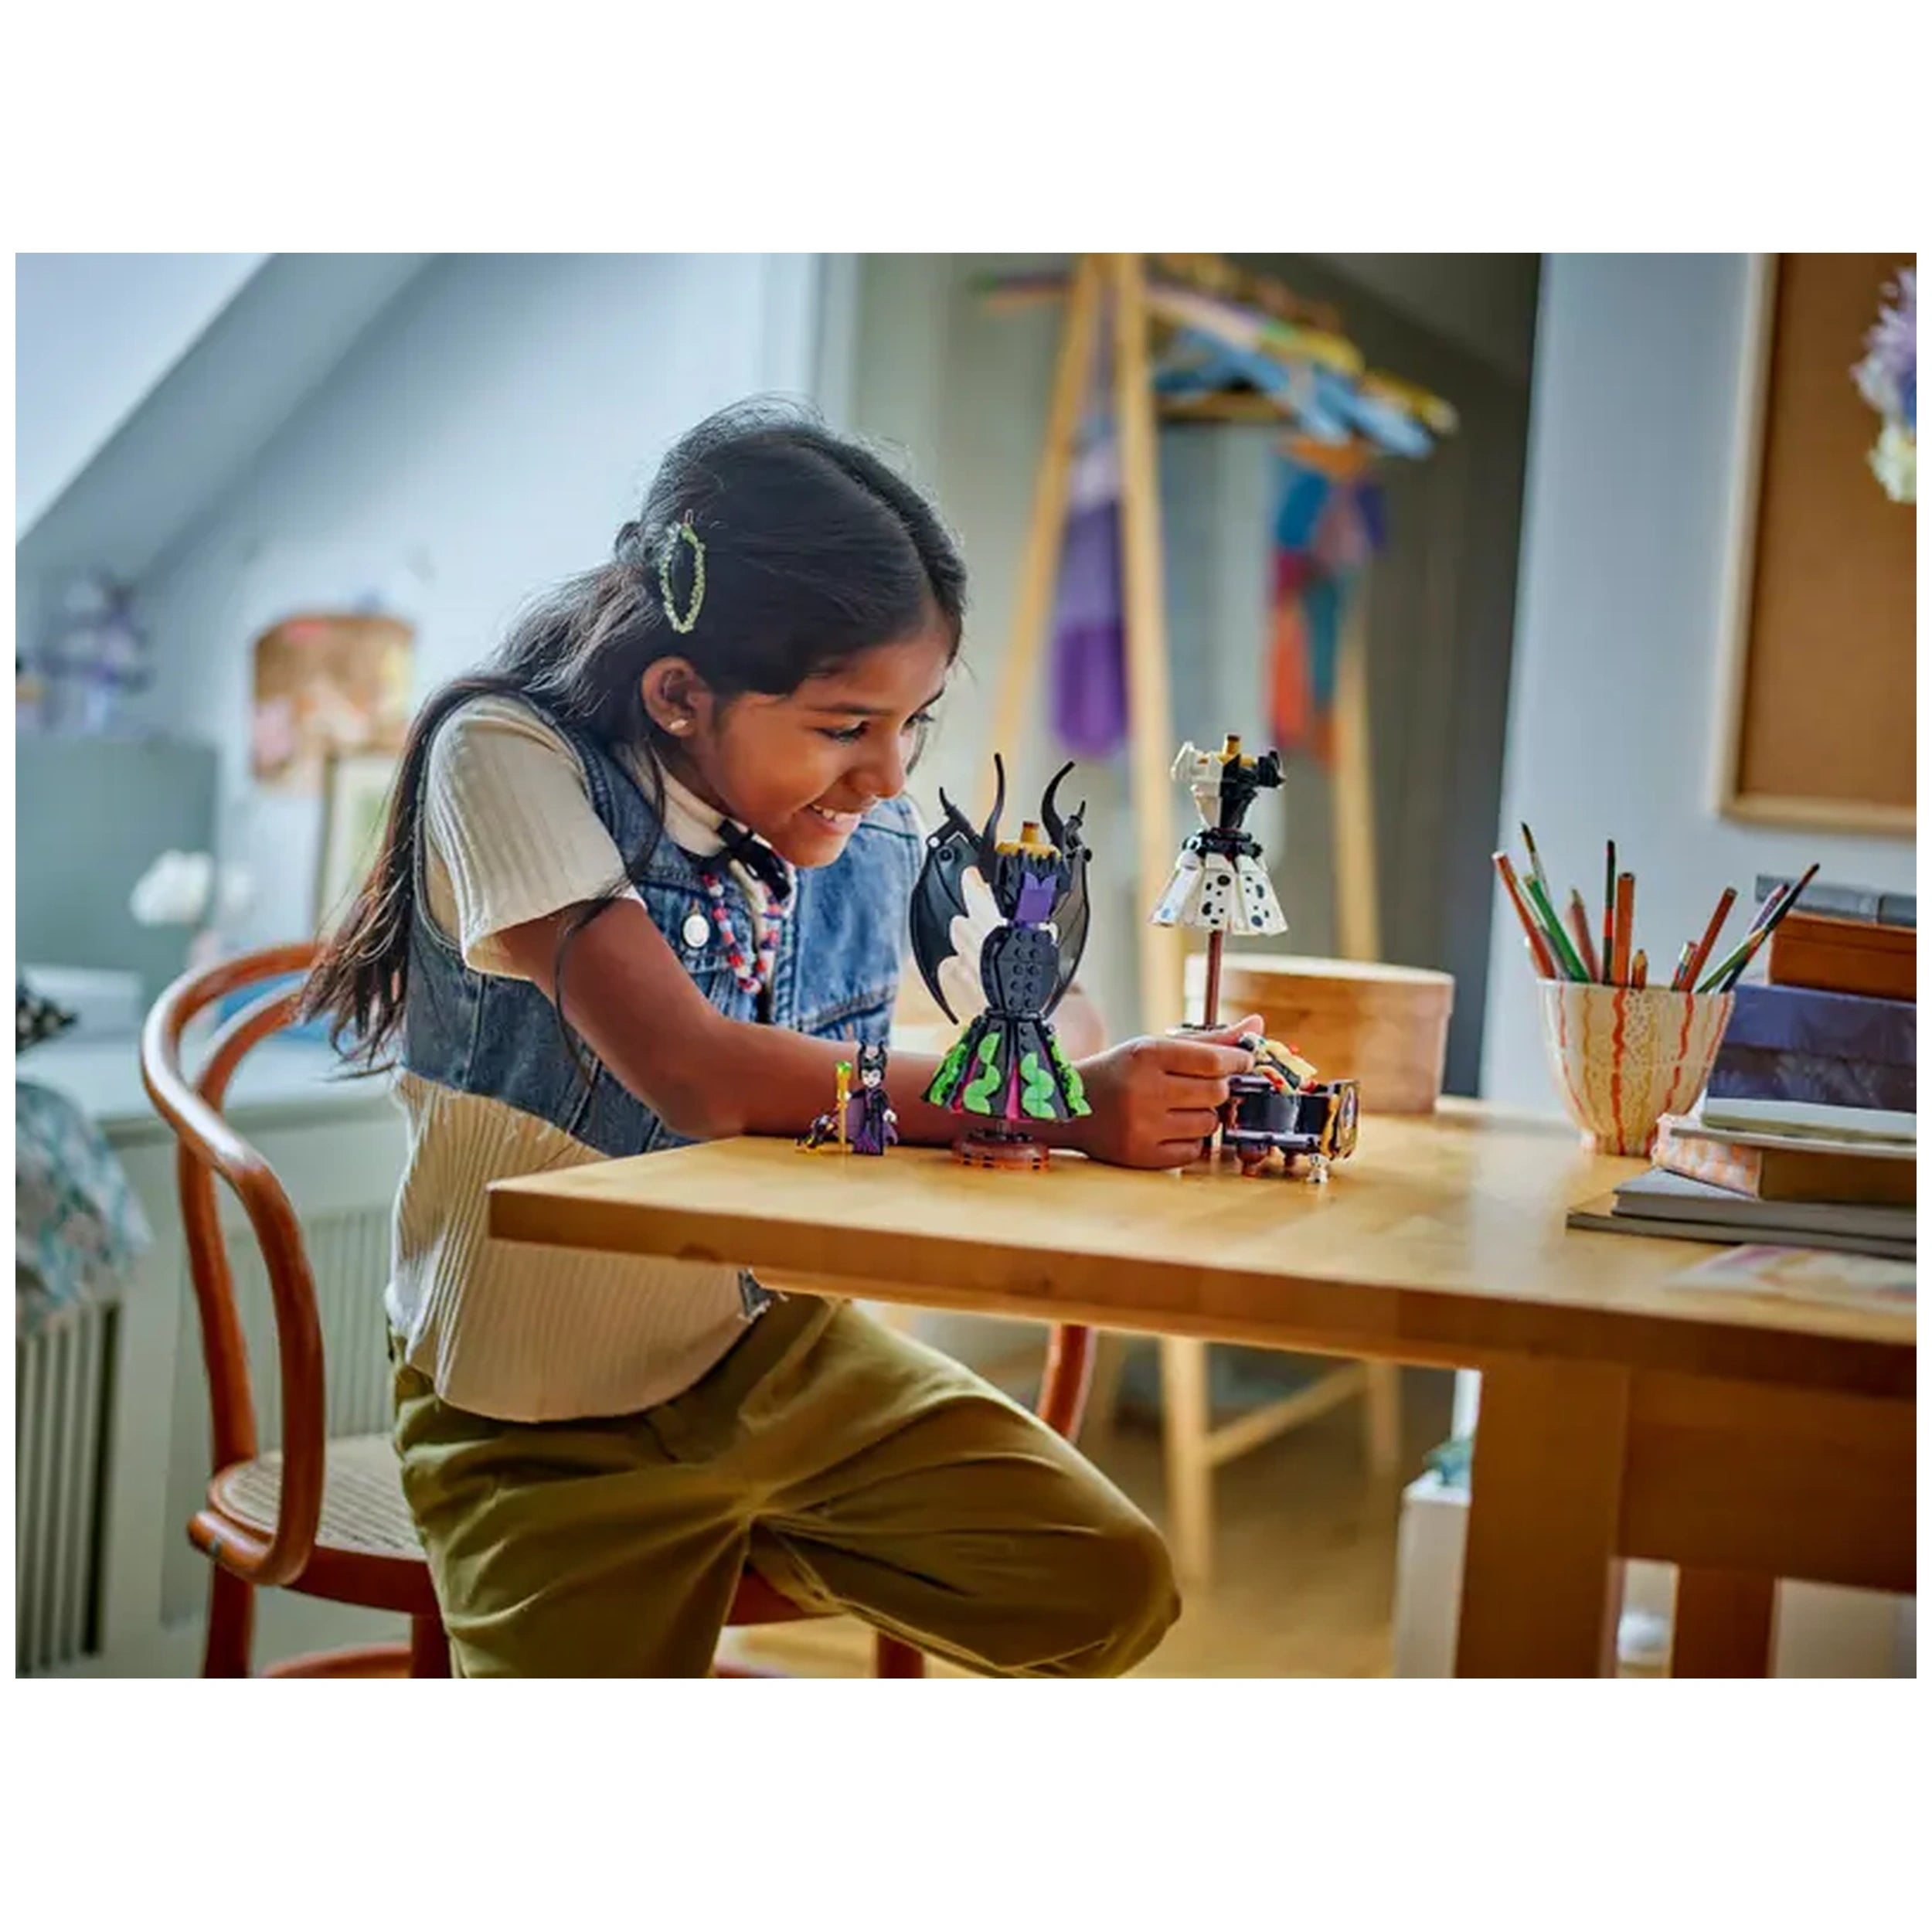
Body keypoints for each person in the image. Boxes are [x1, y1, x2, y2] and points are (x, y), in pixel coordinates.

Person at [303, 400, 1260, 1678]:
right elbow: (695, 1074)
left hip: (776, 1359)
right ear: (681, 694)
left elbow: (1022, 1012)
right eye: (844, 726)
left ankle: (765, 1523)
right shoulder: (508, 759)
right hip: (530, 1415)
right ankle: (714, 1545)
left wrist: (1116, 1059)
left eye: (913, 722)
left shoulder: (860, 831)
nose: (888, 776)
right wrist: (1065, 1104)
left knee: (1107, 1589)